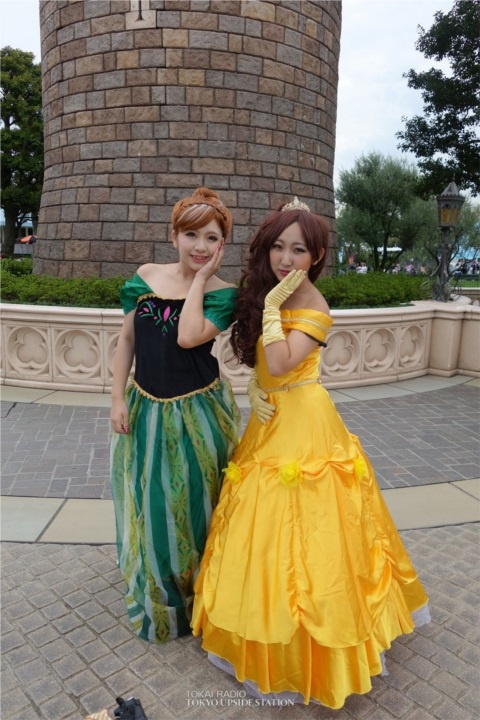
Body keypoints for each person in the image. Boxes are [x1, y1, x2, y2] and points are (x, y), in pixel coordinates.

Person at [192, 198, 430, 708]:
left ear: (317, 255)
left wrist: (272, 312)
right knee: (261, 529)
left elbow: (282, 362)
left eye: (298, 249)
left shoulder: (316, 308)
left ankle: (320, 646)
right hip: (269, 420)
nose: (286, 258)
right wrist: (255, 386)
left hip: (305, 423)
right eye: (278, 246)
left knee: (313, 531)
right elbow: (265, 367)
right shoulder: (271, 293)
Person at [110, 187, 241, 644]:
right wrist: (116, 398)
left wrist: (200, 280)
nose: (200, 246)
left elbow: (188, 338)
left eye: (211, 237)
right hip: (146, 409)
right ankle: (164, 598)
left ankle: (202, 599)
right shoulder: (145, 277)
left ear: (222, 245)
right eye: (191, 235)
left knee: (198, 507)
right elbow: (127, 340)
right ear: (173, 236)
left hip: (198, 414)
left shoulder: (224, 294)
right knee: (154, 504)